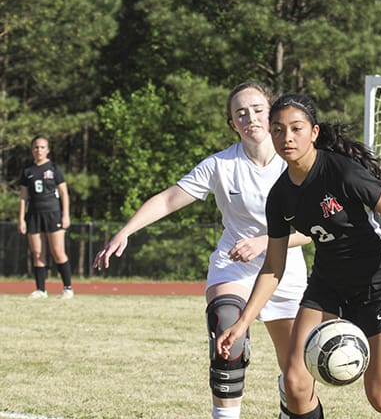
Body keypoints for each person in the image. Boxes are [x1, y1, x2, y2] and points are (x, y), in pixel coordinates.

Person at [216, 93, 381, 419]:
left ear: (313, 132)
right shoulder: (280, 197)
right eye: (278, 130)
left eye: (296, 128)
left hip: (378, 284)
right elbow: (273, 266)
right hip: (328, 285)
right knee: (296, 382)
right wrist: (243, 322)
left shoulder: (343, 174)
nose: (287, 137)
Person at [92, 82, 311, 419]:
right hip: (234, 267)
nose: (249, 117)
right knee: (226, 324)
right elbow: (168, 199)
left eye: (257, 109)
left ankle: (288, 399)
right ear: (232, 124)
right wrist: (125, 231)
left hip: (283, 269)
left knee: (298, 376)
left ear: (272, 114)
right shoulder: (220, 165)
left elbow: (310, 232)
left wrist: (264, 242)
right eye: (240, 113)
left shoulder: (296, 162)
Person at [18, 135, 74, 299]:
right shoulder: (27, 171)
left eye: (42, 147)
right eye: (36, 147)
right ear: (32, 149)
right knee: (37, 253)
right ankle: (41, 290)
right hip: (34, 215)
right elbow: (23, 197)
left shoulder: (54, 168)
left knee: (57, 251)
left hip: (53, 214)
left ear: (47, 150)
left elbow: (64, 193)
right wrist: (21, 219)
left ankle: (68, 288)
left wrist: (66, 215)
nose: (39, 150)